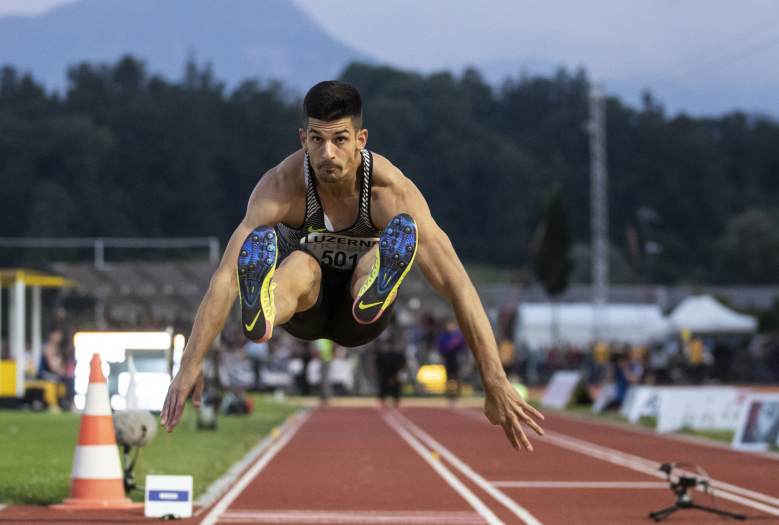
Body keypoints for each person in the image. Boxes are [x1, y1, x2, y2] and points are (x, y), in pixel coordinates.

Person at [161, 81, 544, 450]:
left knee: (374, 255)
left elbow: (457, 284)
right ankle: (264, 309)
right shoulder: (282, 186)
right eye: (317, 139)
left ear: (361, 140)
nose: (327, 152)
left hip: (360, 316)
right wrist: (189, 364)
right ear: (303, 139)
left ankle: (375, 286)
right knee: (300, 264)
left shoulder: (392, 193)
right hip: (305, 307)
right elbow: (226, 277)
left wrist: (494, 379)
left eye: (339, 139)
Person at [437, 320, 467, 406]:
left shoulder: (459, 336)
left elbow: (463, 348)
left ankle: (456, 397)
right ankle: (449, 397)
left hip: (457, 359)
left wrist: (464, 360)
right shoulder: (444, 336)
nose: (451, 326)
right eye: (450, 324)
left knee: (457, 378)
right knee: (448, 379)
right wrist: (442, 358)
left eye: (453, 324)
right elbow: (441, 348)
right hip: (448, 359)